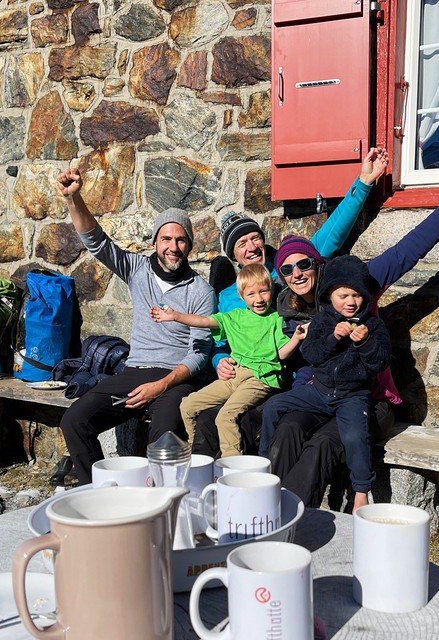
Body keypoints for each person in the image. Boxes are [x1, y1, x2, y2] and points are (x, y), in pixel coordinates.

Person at [196, 159, 439, 508]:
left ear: (317, 262)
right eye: (288, 269)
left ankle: (289, 519)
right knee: (286, 427)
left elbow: (406, 253)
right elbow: (244, 337)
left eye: (304, 264)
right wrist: (223, 358)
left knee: (322, 445)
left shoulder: (350, 285)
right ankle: (261, 505)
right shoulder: (283, 305)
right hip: (314, 394)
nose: (297, 272)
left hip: (365, 398)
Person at [191, 149, 390, 456]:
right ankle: (209, 484)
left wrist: (363, 183)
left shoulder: (287, 270)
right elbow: (220, 339)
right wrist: (220, 362)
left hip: (285, 376)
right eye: (241, 243)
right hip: (242, 376)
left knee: (249, 421)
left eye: (254, 237)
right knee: (205, 419)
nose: (251, 246)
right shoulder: (228, 297)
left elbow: (331, 234)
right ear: (234, 256)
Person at [51, 168, 214, 486]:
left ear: (190, 246)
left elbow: (199, 354)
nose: (173, 246)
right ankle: (99, 495)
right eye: (166, 238)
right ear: (155, 241)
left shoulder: (201, 292)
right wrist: (73, 199)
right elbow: (97, 242)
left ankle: (159, 507)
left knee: (164, 434)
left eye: (181, 239)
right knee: (75, 420)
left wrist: (162, 385)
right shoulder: (137, 270)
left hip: (176, 378)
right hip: (133, 372)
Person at [259, 255, 392, 513]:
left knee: (354, 435)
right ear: (330, 296)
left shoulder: (373, 325)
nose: (351, 302)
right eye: (343, 296)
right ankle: (264, 466)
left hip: (351, 396)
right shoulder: (321, 321)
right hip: (318, 392)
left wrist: (364, 343)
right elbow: (311, 353)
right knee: (273, 406)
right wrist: (332, 338)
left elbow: (380, 363)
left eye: (357, 295)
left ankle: (361, 493)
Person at [150, 264, 307, 458]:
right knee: (188, 405)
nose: (258, 299)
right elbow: (204, 321)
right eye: (251, 294)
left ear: (271, 290)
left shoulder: (275, 319)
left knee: (225, 416)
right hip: (235, 375)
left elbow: (281, 354)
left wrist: (296, 339)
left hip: (260, 378)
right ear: (242, 297)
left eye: (264, 292)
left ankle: (231, 463)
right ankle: (195, 454)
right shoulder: (234, 317)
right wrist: (175, 316)